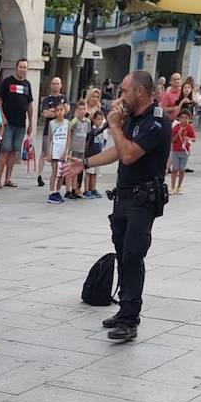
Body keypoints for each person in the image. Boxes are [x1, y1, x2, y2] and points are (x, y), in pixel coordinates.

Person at [65, 71, 169, 344]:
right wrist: (85, 163)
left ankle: (130, 319)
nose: (120, 97)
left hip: (143, 200)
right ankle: (124, 307)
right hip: (123, 197)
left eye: (124, 91)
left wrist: (113, 125)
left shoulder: (157, 121)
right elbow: (116, 151)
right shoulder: (133, 119)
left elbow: (129, 154)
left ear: (140, 92)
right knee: (123, 254)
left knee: (133, 255)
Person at [0, 58, 34, 188]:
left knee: (13, 152)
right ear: (16, 68)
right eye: (21, 67)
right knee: (4, 150)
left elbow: (29, 105)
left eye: (25, 67)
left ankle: (8, 178)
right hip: (7, 123)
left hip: (21, 124)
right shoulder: (7, 82)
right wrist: (2, 116)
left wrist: (31, 123)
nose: (23, 69)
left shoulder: (27, 85)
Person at [37, 74, 66, 187]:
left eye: (57, 83)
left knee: (61, 154)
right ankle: (39, 175)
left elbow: (66, 110)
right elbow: (45, 114)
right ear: (50, 85)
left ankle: (61, 175)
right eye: (53, 83)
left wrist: (52, 112)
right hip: (48, 130)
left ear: (61, 85)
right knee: (44, 152)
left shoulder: (64, 98)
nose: (55, 85)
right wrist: (57, 111)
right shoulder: (46, 99)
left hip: (61, 131)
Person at [46, 99, 69, 204]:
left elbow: (68, 139)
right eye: (57, 110)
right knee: (54, 172)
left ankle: (58, 191)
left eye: (61, 109)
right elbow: (49, 138)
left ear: (64, 111)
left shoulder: (67, 123)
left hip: (63, 151)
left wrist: (66, 152)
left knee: (62, 173)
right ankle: (51, 192)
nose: (60, 112)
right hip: (55, 150)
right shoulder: (52, 123)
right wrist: (48, 152)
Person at [67, 102, 90, 200]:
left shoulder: (87, 122)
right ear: (76, 111)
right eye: (80, 109)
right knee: (70, 169)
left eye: (84, 109)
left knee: (76, 170)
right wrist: (68, 148)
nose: (82, 111)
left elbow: (88, 135)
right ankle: (68, 190)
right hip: (74, 148)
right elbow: (69, 132)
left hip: (82, 149)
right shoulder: (74, 121)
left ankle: (74, 189)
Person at [169, 106, 194, 195]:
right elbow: (172, 140)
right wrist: (178, 133)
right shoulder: (176, 127)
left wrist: (188, 139)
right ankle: (172, 187)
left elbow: (194, 138)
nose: (184, 120)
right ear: (179, 118)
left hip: (184, 151)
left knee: (182, 169)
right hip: (176, 151)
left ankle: (179, 186)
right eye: (182, 117)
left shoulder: (189, 127)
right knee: (175, 169)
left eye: (186, 118)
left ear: (189, 119)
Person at [83, 108, 105, 197]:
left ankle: (93, 188)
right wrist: (86, 153)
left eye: (101, 119)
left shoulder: (102, 131)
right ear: (94, 119)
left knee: (95, 173)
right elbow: (87, 142)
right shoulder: (92, 131)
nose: (99, 121)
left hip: (98, 155)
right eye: (98, 119)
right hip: (90, 155)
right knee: (89, 173)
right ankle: (86, 189)